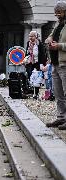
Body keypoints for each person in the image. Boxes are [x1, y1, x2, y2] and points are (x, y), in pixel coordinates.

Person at [45, 1, 66, 129]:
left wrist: (59, 46)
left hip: (65, 64)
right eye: (56, 13)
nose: (57, 15)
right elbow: (50, 36)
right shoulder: (58, 25)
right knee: (58, 93)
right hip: (55, 63)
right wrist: (49, 40)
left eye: (59, 12)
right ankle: (61, 118)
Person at [25, 30, 47, 99]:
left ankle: (36, 93)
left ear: (36, 37)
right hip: (30, 63)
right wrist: (26, 59)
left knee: (37, 78)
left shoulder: (40, 44)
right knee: (30, 75)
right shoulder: (28, 43)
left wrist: (42, 64)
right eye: (29, 36)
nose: (30, 37)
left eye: (32, 36)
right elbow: (27, 53)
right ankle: (31, 91)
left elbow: (43, 55)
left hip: (37, 63)